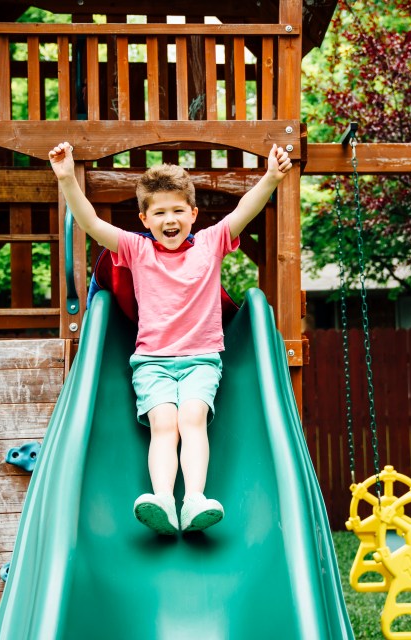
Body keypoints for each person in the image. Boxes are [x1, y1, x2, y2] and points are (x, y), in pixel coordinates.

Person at [49, 141, 292, 534]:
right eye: (159, 212)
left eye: (178, 210)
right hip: (152, 362)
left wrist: (272, 177)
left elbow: (245, 210)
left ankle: (194, 499)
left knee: (192, 420)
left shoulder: (210, 245)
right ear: (144, 219)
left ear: (193, 215)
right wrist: (66, 178)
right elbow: (92, 223)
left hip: (201, 360)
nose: (170, 219)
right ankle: (163, 498)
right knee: (165, 424)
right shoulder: (137, 250)